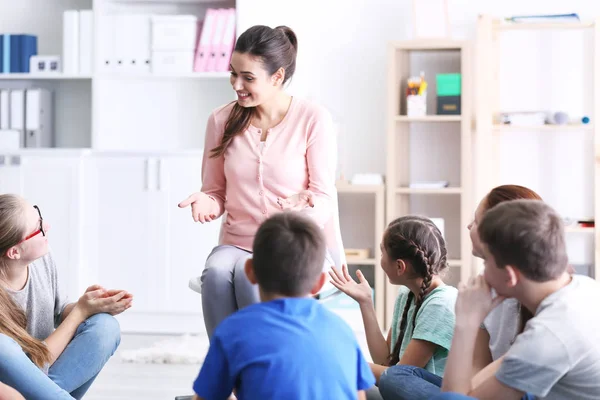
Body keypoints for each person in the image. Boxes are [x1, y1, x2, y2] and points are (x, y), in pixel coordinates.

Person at [178, 24, 337, 337]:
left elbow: (323, 196)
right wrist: (205, 201)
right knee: (216, 272)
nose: (236, 84)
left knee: (250, 277)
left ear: (277, 77)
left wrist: (300, 208)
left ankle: (263, 373)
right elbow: (215, 192)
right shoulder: (220, 120)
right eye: (233, 73)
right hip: (236, 241)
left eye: (248, 77)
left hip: (290, 243)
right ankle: (226, 374)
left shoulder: (312, 118)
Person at [377, 185, 543, 400]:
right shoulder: (487, 293)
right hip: (482, 390)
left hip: (508, 392)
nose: (468, 226)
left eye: (475, 220)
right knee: (395, 377)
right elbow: (472, 378)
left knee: (392, 379)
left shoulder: (547, 320)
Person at [191, 212, 375, 400]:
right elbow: (359, 396)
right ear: (319, 283)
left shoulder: (233, 331)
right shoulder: (341, 330)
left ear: (250, 272)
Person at [437, 200, 600, 399]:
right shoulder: (585, 286)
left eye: (485, 260)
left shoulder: (548, 335)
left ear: (510, 276)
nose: (481, 272)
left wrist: (465, 323)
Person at [0, 194, 132, 399]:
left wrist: (92, 305)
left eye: (40, 217)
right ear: (14, 252)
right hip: (15, 386)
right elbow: (30, 365)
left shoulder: (41, 259)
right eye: (39, 228)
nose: (48, 227)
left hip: (46, 377)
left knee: (105, 325)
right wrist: (80, 312)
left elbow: (60, 312)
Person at [329, 216, 457, 400]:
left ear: (399, 266)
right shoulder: (407, 295)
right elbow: (384, 362)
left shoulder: (441, 304)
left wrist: (345, 362)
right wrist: (365, 302)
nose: (381, 260)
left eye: (382, 253)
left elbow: (398, 379)